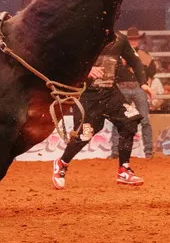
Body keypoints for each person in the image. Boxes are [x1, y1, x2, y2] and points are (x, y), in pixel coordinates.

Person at [52, 30, 149, 189]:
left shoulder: (119, 39)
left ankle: (124, 169)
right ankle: (62, 163)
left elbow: (135, 61)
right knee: (84, 135)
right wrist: (86, 70)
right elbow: (65, 61)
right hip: (86, 96)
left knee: (130, 122)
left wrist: (143, 83)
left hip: (110, 93)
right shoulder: (82, 37)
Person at [110, 27, 156, 159]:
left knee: (144, 120)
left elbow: (151, 73)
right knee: (121, 120)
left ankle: (148, 151)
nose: (133, 41)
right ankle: (116, 151)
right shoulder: (121, 54)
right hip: (125, 87)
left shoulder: (143, 55)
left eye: (135, 39)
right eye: (131, 39)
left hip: (137, 87)